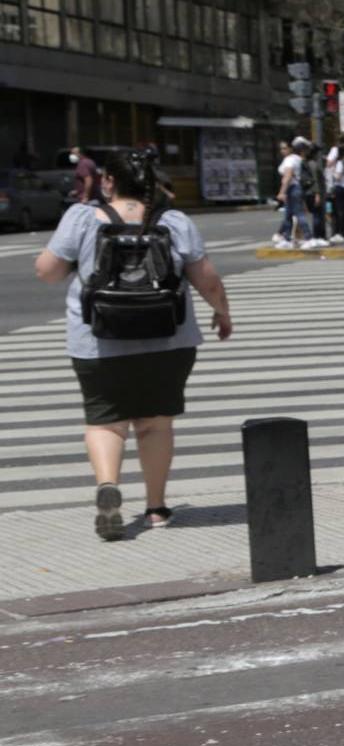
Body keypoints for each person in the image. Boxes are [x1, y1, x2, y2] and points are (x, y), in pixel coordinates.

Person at [34, 149, 234, 540]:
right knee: (155, 423)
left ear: (108, 181)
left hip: (97, 341)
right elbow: (205, 278)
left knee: (105, 422)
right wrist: (222, 313)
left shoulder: (81, 218)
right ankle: (156, 509)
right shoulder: (173, 221)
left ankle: (108, 486)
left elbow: (47, 272)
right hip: (168, 340)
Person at [271, 139, 309, 249]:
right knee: (289, 215)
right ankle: (286, 237)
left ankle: (307, 237)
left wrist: (282, 192)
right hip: (295, 188)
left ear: (291, 148)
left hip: (292, 188)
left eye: (285, 148)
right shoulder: (297, 158)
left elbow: (287, 176)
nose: (282, 151)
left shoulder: (289, 160)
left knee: (298, 214)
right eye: (281, 148)